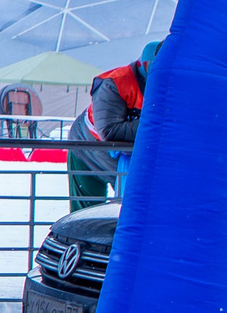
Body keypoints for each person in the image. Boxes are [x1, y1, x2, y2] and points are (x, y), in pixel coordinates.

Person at [68, 39, 159, 211]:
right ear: (145, 64)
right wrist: (157, 123)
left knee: (136, 200)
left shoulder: (166, 86)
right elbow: (110, 131)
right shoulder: (115, 83)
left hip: (129, 153)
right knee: (86, 212)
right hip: (87, 145)